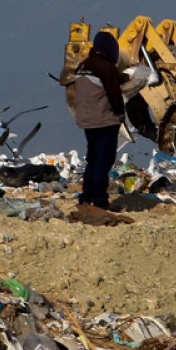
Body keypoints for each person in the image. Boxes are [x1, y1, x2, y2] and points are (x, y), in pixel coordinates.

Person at [70, 31, 132, 225]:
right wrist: (121, 115)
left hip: (87, 121)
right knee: (103, 161)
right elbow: (114, 94)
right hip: (105, 120)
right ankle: (99, 200)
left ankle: (85, 197)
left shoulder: (83, 66)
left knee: (92, 159)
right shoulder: (106, 67)